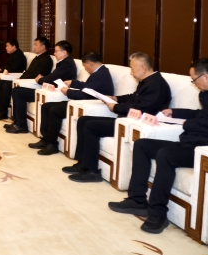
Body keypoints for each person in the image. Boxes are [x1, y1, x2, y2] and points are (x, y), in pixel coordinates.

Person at [109, 58, 208, 234]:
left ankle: (158, 214)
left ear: (207, 76)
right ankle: (137, 200)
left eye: (194, 80)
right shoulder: (207, 93)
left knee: (166, 154)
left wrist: (187, 124)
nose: (194, 84)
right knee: (142, 145)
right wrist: (175, 112)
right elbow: (202, 115)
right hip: (191, 142)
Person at [67, 52, 171, 183]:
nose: (131, 73)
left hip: (135, 125)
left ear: (143, 68)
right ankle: (82, 163)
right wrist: (116, 98)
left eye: (132, 68)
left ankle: (91, 171)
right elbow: (133, 97)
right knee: (83, 120)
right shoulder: (147, 81)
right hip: (126, 120)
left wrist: (116, 107)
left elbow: (142, 107)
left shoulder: (157, 84)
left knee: (90, 126)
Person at [29, 51, 114, 155]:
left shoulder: (100, 75)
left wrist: (68, 92)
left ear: (90, 64)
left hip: (88, 105)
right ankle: (45, 139)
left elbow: (85, 94)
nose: (85, 69)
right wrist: (72, 82)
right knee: (46, 106)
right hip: (82, 102)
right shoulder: (99, 72)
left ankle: (52, 144)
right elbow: (87, 86)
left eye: (85, 66)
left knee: (54, 110)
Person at [7, 40, 77, 134]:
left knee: (19, 92)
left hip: (56, 94)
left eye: (56, 51)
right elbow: (52, 76)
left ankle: (21, 125)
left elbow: (53, 77)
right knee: (16, 90)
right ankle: (17, 122)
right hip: (49, 90)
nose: (54, 53)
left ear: (64, 52)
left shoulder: (67, 64)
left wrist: (40, 79)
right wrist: (42, 79)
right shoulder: (63, 62)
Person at [0, 37, 53, 121]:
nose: (34, 47)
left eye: (36, 45)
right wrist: (20, 78)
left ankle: (3, 112)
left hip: (32, 84)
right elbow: (28, 71)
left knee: (7, 85)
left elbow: (37, 75)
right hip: (24, 80)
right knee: (0, 83)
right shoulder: (37, 58)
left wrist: (22, 79)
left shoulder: (46, 60)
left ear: (43, 47)